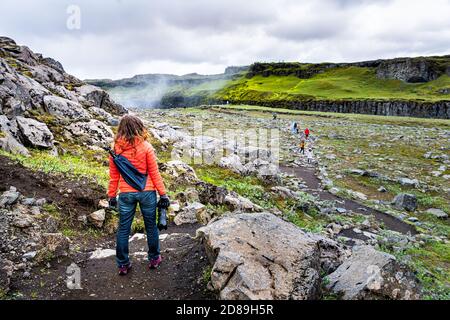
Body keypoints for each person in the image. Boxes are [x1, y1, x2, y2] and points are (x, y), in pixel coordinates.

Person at [108, 115, 170, 276]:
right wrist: (163, 194)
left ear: (121, 128)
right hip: (147, 192)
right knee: (151, 227)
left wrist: (112, 196)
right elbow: (154, 173)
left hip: (126, 194)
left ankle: (123, 264)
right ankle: (154, 258)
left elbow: (113, 176)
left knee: (123, 229)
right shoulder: (146, 147)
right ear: (139, 127)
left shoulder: (115, 149)